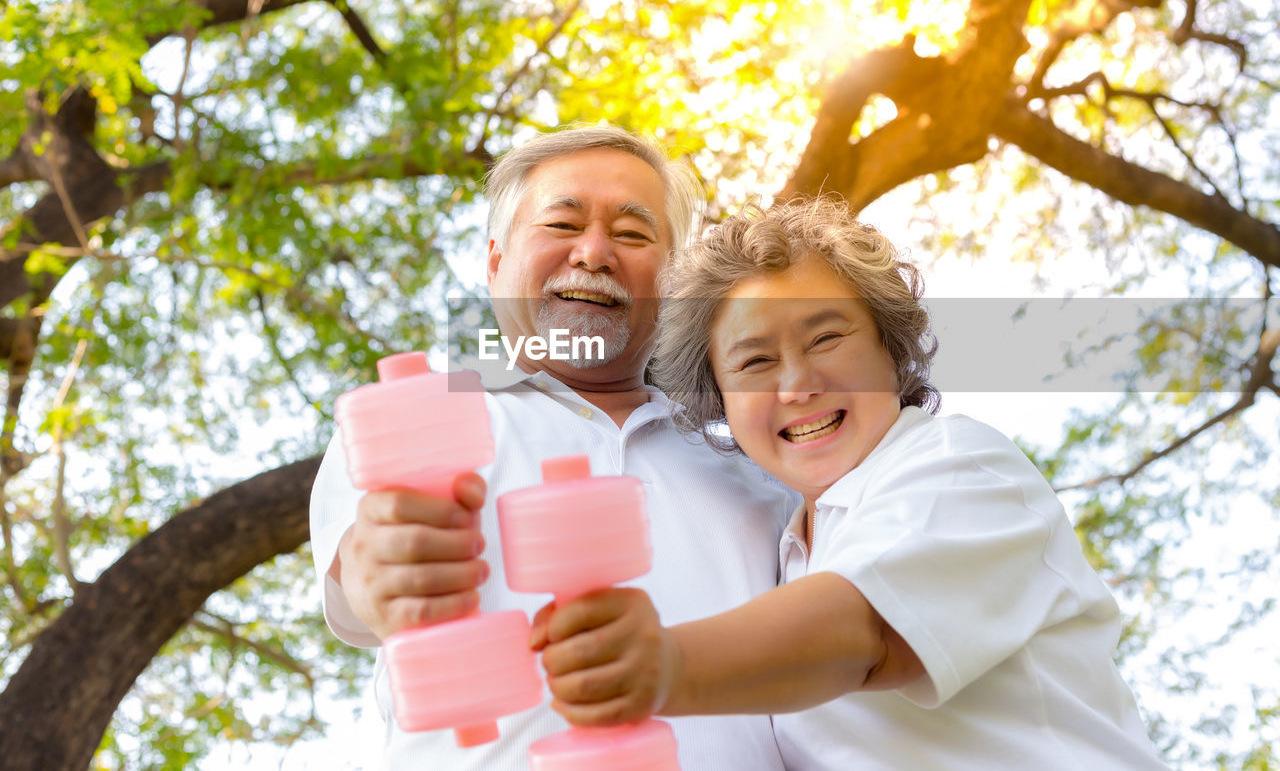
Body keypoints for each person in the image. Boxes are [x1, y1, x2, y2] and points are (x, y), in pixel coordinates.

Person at [533, 197, 1169, 770]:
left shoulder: (957, 465)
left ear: (891, 352)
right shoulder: (782, 552)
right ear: (720, 401)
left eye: (827, 337)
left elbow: (862, 632)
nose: (797, 385)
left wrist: (665, 663)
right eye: (754, 361)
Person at [308, 126, 796, 770]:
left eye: (631, 234)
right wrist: (382, 566)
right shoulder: (423, 414)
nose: (594, 253)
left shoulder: (760, 461)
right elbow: (364, 576)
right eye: (562, 224)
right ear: (494, 263)